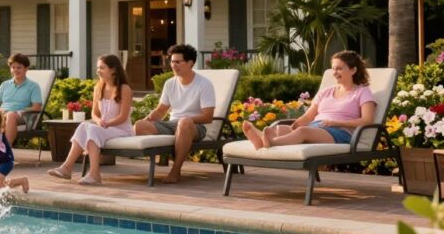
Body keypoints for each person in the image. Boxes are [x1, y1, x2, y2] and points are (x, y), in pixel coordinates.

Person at [243, 50, 375, 149]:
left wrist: (336, 123)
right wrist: (296, 124)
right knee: (281, 129)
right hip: (316, 127)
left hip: (340, 133)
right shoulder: (326, 92)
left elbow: (367, 120)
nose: (335, 72)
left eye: (339, 68)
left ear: (353, 70)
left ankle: (270, 143)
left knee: (302, 131)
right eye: (333, 68)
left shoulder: (362, 92)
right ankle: (261, 141)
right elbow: (308, 116)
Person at [134, 44, 215, 184]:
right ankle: (169, 150)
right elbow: (161, 110)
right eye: (171, 61)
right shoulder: (170, 83)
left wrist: (186, 120)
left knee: (184, 122)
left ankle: (175, 170)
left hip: (195, 126)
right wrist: (148, 119)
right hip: (172, 125)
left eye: (178, 62)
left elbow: (208, 117)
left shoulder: (204, 84)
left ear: (190, 63)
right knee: (140, 125)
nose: (173, 65)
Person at [47, 54, 133, 185]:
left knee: (93, 130)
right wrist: (99, 121)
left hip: (121, 129)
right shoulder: (99, 88)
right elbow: (94, 113)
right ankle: (66, 168)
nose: (98, 71)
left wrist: (107, 123)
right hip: (104, 127)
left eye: (102, 68)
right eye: (98, 68)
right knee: (83, 126)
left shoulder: (124, 89)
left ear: (113, 70)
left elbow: (123, 117)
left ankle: (95, 174)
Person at [0, 53, 43, 146]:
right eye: (13, 67)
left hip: (21, 116)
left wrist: (20, 110)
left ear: (26, 69)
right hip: (2, 114)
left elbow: (37, 107)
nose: (15, 70)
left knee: (11, 115)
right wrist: (0, 111)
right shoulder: (5, 85)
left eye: (19, 67)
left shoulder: (33, 86)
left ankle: (7, 150)